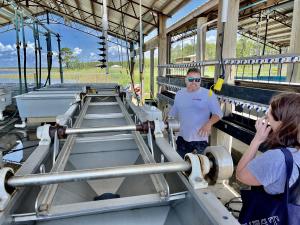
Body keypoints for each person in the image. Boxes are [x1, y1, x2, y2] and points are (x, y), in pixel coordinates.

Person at [236, 93, 300, 224]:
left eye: (268, 114)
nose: (266, 119)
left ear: (281, 123)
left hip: (270, 215)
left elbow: (241, 175)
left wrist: (257, 140)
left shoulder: (278, 158)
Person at [168, 68, 223, 158]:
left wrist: (209, 123)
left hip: (199, 140)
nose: (194, 82)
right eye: (191, 79)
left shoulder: (208, 94)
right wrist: (167, 120)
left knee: (199, 168)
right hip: (181, 138)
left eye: (197, 80)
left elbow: (218, 114)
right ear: (185, 80)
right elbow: (174, 110)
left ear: (200, 81)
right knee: (181, 167)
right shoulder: (179, 94)